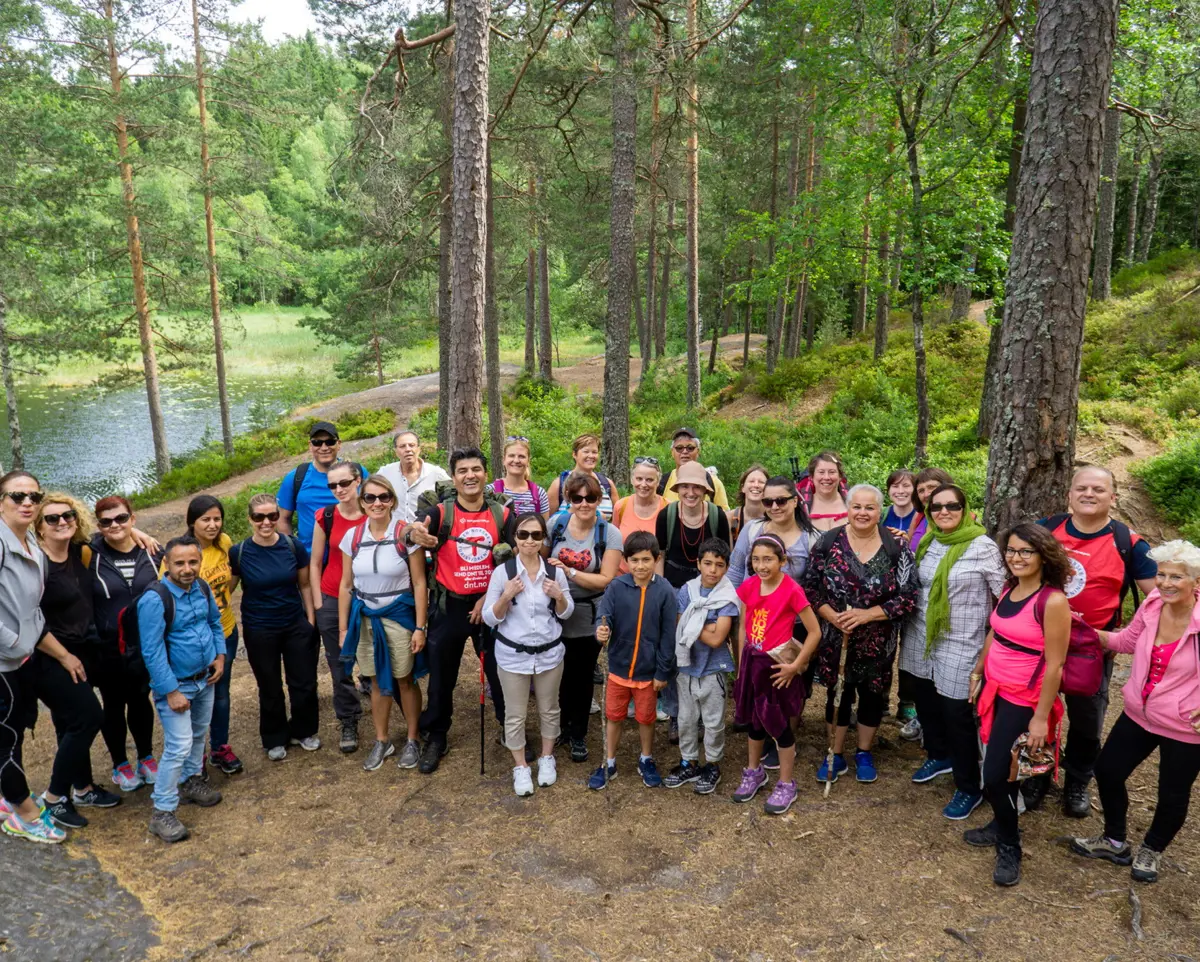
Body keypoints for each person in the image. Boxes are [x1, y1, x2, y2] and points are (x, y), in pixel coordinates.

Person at [1070, 540, 1200, 885]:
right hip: (1140, 712)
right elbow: (1126, 641)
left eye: (1177, 577)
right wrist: (1078, 629)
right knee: (1108, 771)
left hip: (1186, 726)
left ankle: (1152, 849)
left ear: (1195, 582)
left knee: (1172, 792)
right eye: (1161, 574)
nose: (1166, 583)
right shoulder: (1154, 604)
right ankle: (1114, 841)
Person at [1033, 466, 1158, 818]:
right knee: (1035, 711)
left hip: (1090, 649)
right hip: (1038, 642)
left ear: (1113, 498)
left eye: (1099, 489)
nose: (1089, 494)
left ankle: (1077, 780)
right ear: (1070, 495)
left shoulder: (1128, 542)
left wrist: (1123, 639)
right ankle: (1037, 774)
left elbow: (1158, 599)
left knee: (1087, 720)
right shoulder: (1046, 529)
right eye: (1082, 488)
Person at [965, 523, 1071, 887]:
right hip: (995, 689)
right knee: (998, 771)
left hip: (1024, 700)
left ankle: (1010, 844)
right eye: (1011, 550)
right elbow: (997, 630)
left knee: (997, 774)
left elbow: (1055, 663)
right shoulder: (1011, 589)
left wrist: (1041, 718)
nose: (1016, 557)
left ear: (1043, 556)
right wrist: (979, 669)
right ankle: (1000, 822)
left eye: (1026, 551)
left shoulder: (1052, 601)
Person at [898, 484, 1005, 820]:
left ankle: (969, 786)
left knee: (957, 712)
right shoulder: (929, 541)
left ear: (965, 508)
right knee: (926, 701)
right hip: (920, 634)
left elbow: (1005, 594)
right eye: (937, 507)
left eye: (952, 506)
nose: (944, 512)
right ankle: (939, 754)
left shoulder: (982, 546)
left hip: (962, 640)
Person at [406, 447, 512, 774]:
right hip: (448, 604)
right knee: (442, 675)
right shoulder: (440, 513)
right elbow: (409, 535)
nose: (470, 476)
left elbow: (513, 563)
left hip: (490, 606)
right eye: (463, 470)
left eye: (476, 469)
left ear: (485, 473)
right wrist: (413, 533)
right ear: (454, 477)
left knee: (500, 670)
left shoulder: (501, 515)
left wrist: (489, 598)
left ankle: (511, 728)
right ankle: (437, 735)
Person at [804, 484, 918, 784]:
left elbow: (908, 596)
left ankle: (864, 752)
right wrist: (833, 617)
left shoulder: (897, 548)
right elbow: (810, 588)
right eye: (857, 507)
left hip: (878, 641)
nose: (862, 513)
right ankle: (835, 753)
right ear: (848, 509)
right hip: (835, 638)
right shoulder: (828, 542)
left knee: (872, 695)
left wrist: (867, 615)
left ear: (880, 511)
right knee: (838, 693)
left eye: (870, 508)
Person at [0, 473, 83, 844]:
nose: (28, 502)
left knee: (15, 728)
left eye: (34, 495)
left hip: (23, 657)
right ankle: (25, 814)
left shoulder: (29, 538)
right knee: (4, 737)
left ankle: (9, 796)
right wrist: (14, 643)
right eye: (17, 495)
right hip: (4, 660)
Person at [33, 494, 115, 829]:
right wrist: (65, 657)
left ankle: (82, 788)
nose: (62, 522)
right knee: (88, 716)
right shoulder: (36, 566)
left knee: (69, 722)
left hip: (83, 649)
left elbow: (110, 536)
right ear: (39, 529)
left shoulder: (79, 553)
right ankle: (53, 799)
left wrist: (140, 534)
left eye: (67, 515)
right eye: (52, 519)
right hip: (50, 656)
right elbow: (29, 620)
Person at [336, 475, 428, 772]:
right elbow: (346, 584)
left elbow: (418, 582)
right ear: (361, 502)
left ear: (393, 500)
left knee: (404, 679)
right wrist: (342, 628)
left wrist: (420, 627)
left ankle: (413, 739)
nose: (377, 503)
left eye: (384, 497)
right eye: (370, 498)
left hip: (398, 616)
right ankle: (382, 739)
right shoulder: (352, 537)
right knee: (374, 678)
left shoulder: (405, 535)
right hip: (365, 619)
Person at [140, 536, 227, 844]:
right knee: (177, 746)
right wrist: (170, 691)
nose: (187, 568)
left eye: (193, 562)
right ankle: (161, 812)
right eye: (180, 563)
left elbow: (215, 623)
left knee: (198, 734)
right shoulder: (155, 599)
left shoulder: (201, 588)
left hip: (205, 679)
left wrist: (220, 656)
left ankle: (191, 782)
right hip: (177, 686)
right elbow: (151, 652)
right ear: (167, 563)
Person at [730, 533, 822, 814]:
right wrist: (741, 662)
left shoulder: (792, 590)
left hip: (777, 668)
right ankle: (754, 771)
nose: (761, 565)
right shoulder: (748, 586)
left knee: (779, 726)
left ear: (783, 561)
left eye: (768, 559)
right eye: (756, 559)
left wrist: (796, 667)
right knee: (755, 724)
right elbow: (745, 625)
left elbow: (815, 632)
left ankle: (786, 783)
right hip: (752, 664)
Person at [483, 512, 574, 796]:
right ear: (514, 538)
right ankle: (521, 765)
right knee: (515, 714)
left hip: (549, 653)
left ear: (543, 538)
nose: (530, 540)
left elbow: (567, 611)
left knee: (549, 708)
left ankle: (547, 757)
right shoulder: (503, 573)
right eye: (523, 535)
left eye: (536, 535)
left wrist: (559, 595)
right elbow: (489, 617)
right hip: (512, 656)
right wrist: (506, 596)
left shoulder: (555, 571)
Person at [230, 495, 319, 762]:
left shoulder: (293, 546)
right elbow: (227, 589)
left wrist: (310, 621)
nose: (266, 522)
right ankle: (274, 737)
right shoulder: (239, 552)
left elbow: (304, 585)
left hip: (294, 624)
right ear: (250, 519)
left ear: (279, 517)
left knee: (303, 682)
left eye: (272, 516)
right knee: (269, 685)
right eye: (259, 517)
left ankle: (304, 730)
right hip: (259, 628)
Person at [590, 532, 676, 790]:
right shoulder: (616, 587)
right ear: (625, 561)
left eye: (646, 560)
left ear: (656, 559)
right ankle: (609, 761)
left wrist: (662, 672)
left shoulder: (665, 591)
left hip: (648, 673)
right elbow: (604, 617)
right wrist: (601, 630)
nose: (640, 566)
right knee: (614, 716)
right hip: (617, 668)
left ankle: (646, 758)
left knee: (646, 718)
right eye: (634, 560)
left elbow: (668, 636)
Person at [547, 472, 623, 763]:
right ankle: (562, 727)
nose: (584, 503)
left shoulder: (609, 533)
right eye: (577, 498)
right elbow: (540, 562)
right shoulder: (557, 525)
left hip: (591, 613)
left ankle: (577, 732)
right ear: (568, 499)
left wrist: (569, 572)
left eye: (590, 498)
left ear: (599, 500)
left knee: (582, 675)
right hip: (556, 613)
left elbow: (606, 580)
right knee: (559, 674)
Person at [89, 495, 163, 792]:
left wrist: (139, 535)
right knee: (113, 705)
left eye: (121, 518)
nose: (114, 525)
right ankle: (120, 764)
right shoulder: (90, 553)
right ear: (99, 526)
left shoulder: (154, 553)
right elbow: (66, 531)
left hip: (146, 645)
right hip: (107, 648)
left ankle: (145, 756)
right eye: (106, 522)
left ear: (133, 518)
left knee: (140, 700)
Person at [665, 539, 738, 795]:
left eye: (719, 565)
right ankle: (689, 761)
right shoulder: (687, 590)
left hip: (713, 668)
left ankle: (712, 764)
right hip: (687, 666)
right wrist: (706, 625)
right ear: (698, 563)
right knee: (686, 718)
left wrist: (691, 624)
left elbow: (719, 638)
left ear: (727, 567)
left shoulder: (728, 596)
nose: (712, 570)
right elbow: (678, 624)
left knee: (713, 721)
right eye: (707, 563)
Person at [177, 496, 242, 776]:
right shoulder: (181, 554)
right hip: (195, 641)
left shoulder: (224, 543)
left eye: (217, 518)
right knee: (195, 695)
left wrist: (225, 597)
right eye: (206, 519)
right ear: (192, 523)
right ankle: (195, 757)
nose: (213, 525)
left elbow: (232, 576)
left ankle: (219, 748)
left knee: (221, 693)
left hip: (226, 630)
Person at [309, 461, 366, 753]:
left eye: (344, 483)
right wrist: (319, 604)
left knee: (378, 655)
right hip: (332, 596)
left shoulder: (375, 509)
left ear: (358, 480)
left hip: (370, 596)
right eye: (333, 485)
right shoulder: (326, 516)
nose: (339, 489)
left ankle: (386, 700)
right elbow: (316, 562)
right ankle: (349, 717)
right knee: (340, 663)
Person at [276, 421, 364, 550]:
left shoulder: (357, 472)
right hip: (310, 557)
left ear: (339, 444)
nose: (324, 447)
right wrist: (292, 550)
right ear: (310, 445)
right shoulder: (296, 477)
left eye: (330, 442)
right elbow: (282, 518)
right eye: (317, 442)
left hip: (355, 553)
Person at [656, 462, 732, 589]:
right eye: (685, 486)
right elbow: (660, 555)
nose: (690, 493)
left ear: (704, 490)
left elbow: (726, 556)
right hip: (672, 586)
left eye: (697, 487)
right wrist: (661, 588)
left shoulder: (717, 516)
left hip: (708, 588)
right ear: (678, 489)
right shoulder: (666, 515)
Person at [377, 430, 451, 523]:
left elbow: (454, 498)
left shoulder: (436, 473)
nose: (408, 449)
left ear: (419, 449)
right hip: (393, 533)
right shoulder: (385, 473)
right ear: (395, 451)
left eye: (411, 445)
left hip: (425, 532)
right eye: (402, 446)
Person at [611, 457, 666, 574]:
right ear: (632, 480)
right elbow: (614, 545)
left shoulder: (668, 508)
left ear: (658, 481)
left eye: (650, 480)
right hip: (624, 578)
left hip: (656, 579)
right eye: (639, 479)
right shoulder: (621, 506)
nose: (643, 484)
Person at [546, 434, 619, 520]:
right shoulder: (559, 484)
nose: (591, 456)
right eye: (586, 451)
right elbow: (548, 521)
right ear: (574, 454)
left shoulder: (607, 484)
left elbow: (618, 519)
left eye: (594, 452)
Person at [657, 428, 730, 509]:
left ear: (698, 451)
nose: (684, 451)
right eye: (679, 448)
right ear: (672, 452)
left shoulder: (713, 483)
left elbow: (725, 516)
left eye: (690, 448)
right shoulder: (662, 483)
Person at [488, 437, 549, 516]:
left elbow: (544, 526)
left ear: (528, 461)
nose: (516, 460)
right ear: (504, 460)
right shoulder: (490, 491)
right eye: (511, 456)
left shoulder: (539, 494)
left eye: (521, 456)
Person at [905, 467, 954, 548]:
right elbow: (907, 548)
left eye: (931, 487)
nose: (926, 494)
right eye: (921, 491)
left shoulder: (965, 519)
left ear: (947, 487)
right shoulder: (919, 516)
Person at [799, 451, 848, 532]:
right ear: (811, 477)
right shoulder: (802, 508)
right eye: (821, 472)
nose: (826, 477)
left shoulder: (852, 503)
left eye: (832, 472)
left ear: (840, 476)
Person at [728, 464, 769, 545]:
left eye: (761, 482)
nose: (756, 485)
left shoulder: (774, 518)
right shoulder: (730, 518)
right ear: (742, 488)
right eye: (751, 481)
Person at [883, 469, 918, 539]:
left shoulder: (924, 518)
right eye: (895, 486)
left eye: (906, 486)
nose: (900, 491)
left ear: (915, 490)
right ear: (888, 491)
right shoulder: (880, 516)